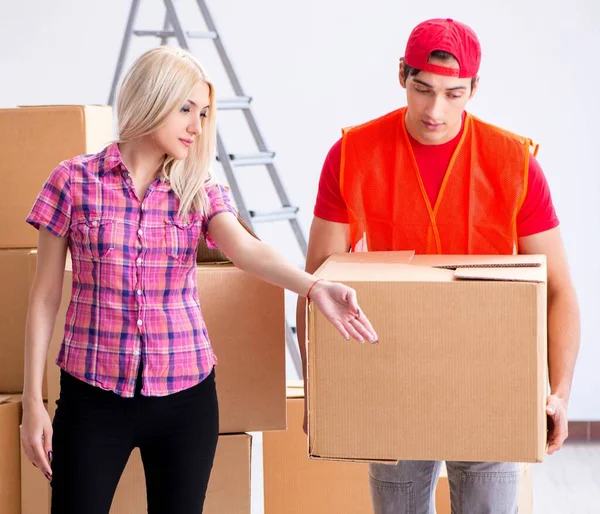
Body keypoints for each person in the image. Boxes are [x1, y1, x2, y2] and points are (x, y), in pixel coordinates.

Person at [20, 46, 377, 514]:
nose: (197, 125)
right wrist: (33, 402)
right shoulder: (74, 180)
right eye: (186, 108)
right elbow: (45, 297)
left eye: (204, 113)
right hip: (92, 398)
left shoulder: (199, 188)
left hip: (186, 401)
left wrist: (313, 287)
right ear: (151, 98)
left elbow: (246, 250)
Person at [296, 18, 580, 514]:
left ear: (474, 88)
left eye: (453, 94)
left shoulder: (512, 161)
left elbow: (558, 289)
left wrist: (558, 392)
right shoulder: (352, 154)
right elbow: (318, 280)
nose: (434, 110)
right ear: (401, 74)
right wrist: (322, 389)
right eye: (422, 89)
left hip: (492, 370)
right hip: (391, 365)